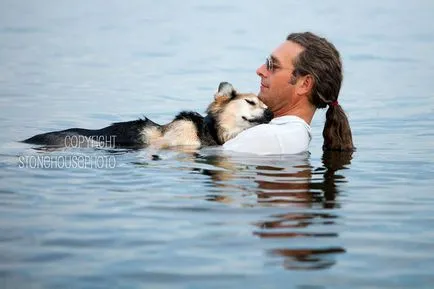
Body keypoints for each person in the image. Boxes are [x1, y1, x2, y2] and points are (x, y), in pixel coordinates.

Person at [223, 32, 354, 154]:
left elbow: (215, 167)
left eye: (273, 66)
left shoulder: (268, 137)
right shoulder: (292, 135)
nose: (260, 70)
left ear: (304, 84)